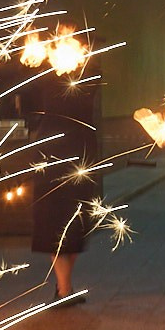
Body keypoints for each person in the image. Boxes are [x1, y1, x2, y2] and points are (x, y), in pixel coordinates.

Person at [26, 68, 102, 303]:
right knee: (69, 226)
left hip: (59, 157)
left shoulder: (54, 82)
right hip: (74, 158)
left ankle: (64, 288)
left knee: (60, 226)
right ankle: (64, 288)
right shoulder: (83, 84)